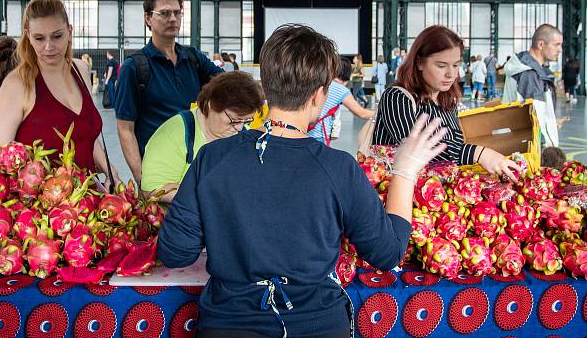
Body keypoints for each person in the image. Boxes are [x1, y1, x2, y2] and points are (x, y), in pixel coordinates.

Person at [157, 24, 448, 337]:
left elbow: (175, 253)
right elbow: (388, 253)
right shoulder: (339, 169)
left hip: (227, 325)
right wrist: (404, 172)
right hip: (316, 324)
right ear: (319, 95)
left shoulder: (212, 158)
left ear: (265, 86)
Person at [0, 0, 116, 189]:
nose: (49, 46)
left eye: (57, 36)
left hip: (89, 206)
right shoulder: (17, 85)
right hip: (43, 214)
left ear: (69, 32)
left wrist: (109, 169)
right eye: (39, 38)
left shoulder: (80, 71)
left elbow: (85, 134)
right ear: (28, 35)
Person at [372, 25, 523, 180]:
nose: (451, 74)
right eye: (441, 66)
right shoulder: (397, 97)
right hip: (398, 196)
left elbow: (453, 150)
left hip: (436, 195)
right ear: (419, 63)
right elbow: (418, 151)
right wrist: (478, 153)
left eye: (456, 65)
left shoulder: (447, 100)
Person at [115, 0, 222, 185]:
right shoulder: (135, 68)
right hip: (159, 173)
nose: (172, 18)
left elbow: (226, 85)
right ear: (148, 19)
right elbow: (125, 129)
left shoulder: (194, 58)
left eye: (177, 13)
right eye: (164, 13)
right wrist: (143, 179)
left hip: (195, 168)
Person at [142, 72, 264, 203]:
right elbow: (153, 189)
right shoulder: (174, 133)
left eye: (247, 121)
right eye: (234, 120)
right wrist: (211, 198)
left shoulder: (243, 136)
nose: (240, 128)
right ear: (211, 105)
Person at [502, 24, 568, 148]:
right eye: (556, 45)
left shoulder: (526, 68)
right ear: (541, 44)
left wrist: (551, 122)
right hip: (534, 153)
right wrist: (544, 152)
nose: (560, 50)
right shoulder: (530, 75)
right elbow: (533, 121)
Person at [308, 56, 374, 145]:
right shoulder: (341, 90)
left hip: (305, 132)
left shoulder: (321, 83)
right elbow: (361, 113)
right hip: (319, 135)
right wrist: (379, 114)